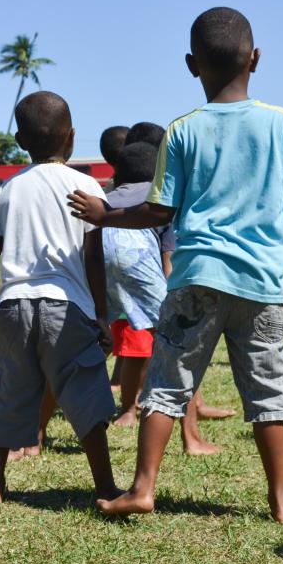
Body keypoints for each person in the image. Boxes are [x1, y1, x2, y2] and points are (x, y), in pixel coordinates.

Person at [69, 7, 283, 522]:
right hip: (260, 282)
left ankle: (142, 489)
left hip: (196, 279)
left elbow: (160, 211)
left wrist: (105, 213)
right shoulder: (280, 123)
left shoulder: (181, 131)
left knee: (166, 385)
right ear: (256, 58)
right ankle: (281, 500)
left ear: (191, 64)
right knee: (269, 393)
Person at [0, 91, 121, 505]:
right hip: (68, 306)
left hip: (14, 304)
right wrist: (102, 315)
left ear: (20, 141)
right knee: (87, 391)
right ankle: (105, 486)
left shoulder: (9, 190)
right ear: (72, 137)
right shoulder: (85, 185)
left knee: (9, 389)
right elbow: (94, 258)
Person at [103, 142, 221, 455]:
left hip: (96, 253)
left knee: (82, 346)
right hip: (136, 254)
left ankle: (36, 432)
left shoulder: (105, 196)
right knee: (179, 346)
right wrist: (176, 305)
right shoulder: (160, 200)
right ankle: (191, 438)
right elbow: (169, 257)